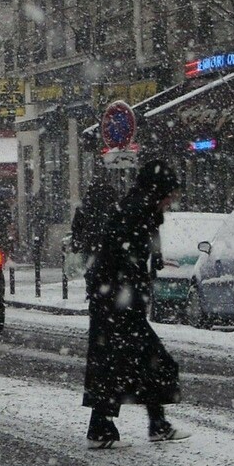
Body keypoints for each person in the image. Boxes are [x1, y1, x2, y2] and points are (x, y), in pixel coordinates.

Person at [82, 158, 188, 449]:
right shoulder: (136, 213)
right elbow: (122, 261)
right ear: (159, 190)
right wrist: (128, 295)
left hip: (115, 303)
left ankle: (146, 424)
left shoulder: (138, 210)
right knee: (144, 362)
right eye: (170, 194)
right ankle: (110, 428)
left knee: (131, 364)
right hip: (118, 304)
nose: (172, 201)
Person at [69, 169, 119, 269]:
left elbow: (76, 226)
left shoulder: (85, 204)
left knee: (90, 270)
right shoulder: (112, 204)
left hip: (89, 242)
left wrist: (76, 242)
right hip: (108, 244)